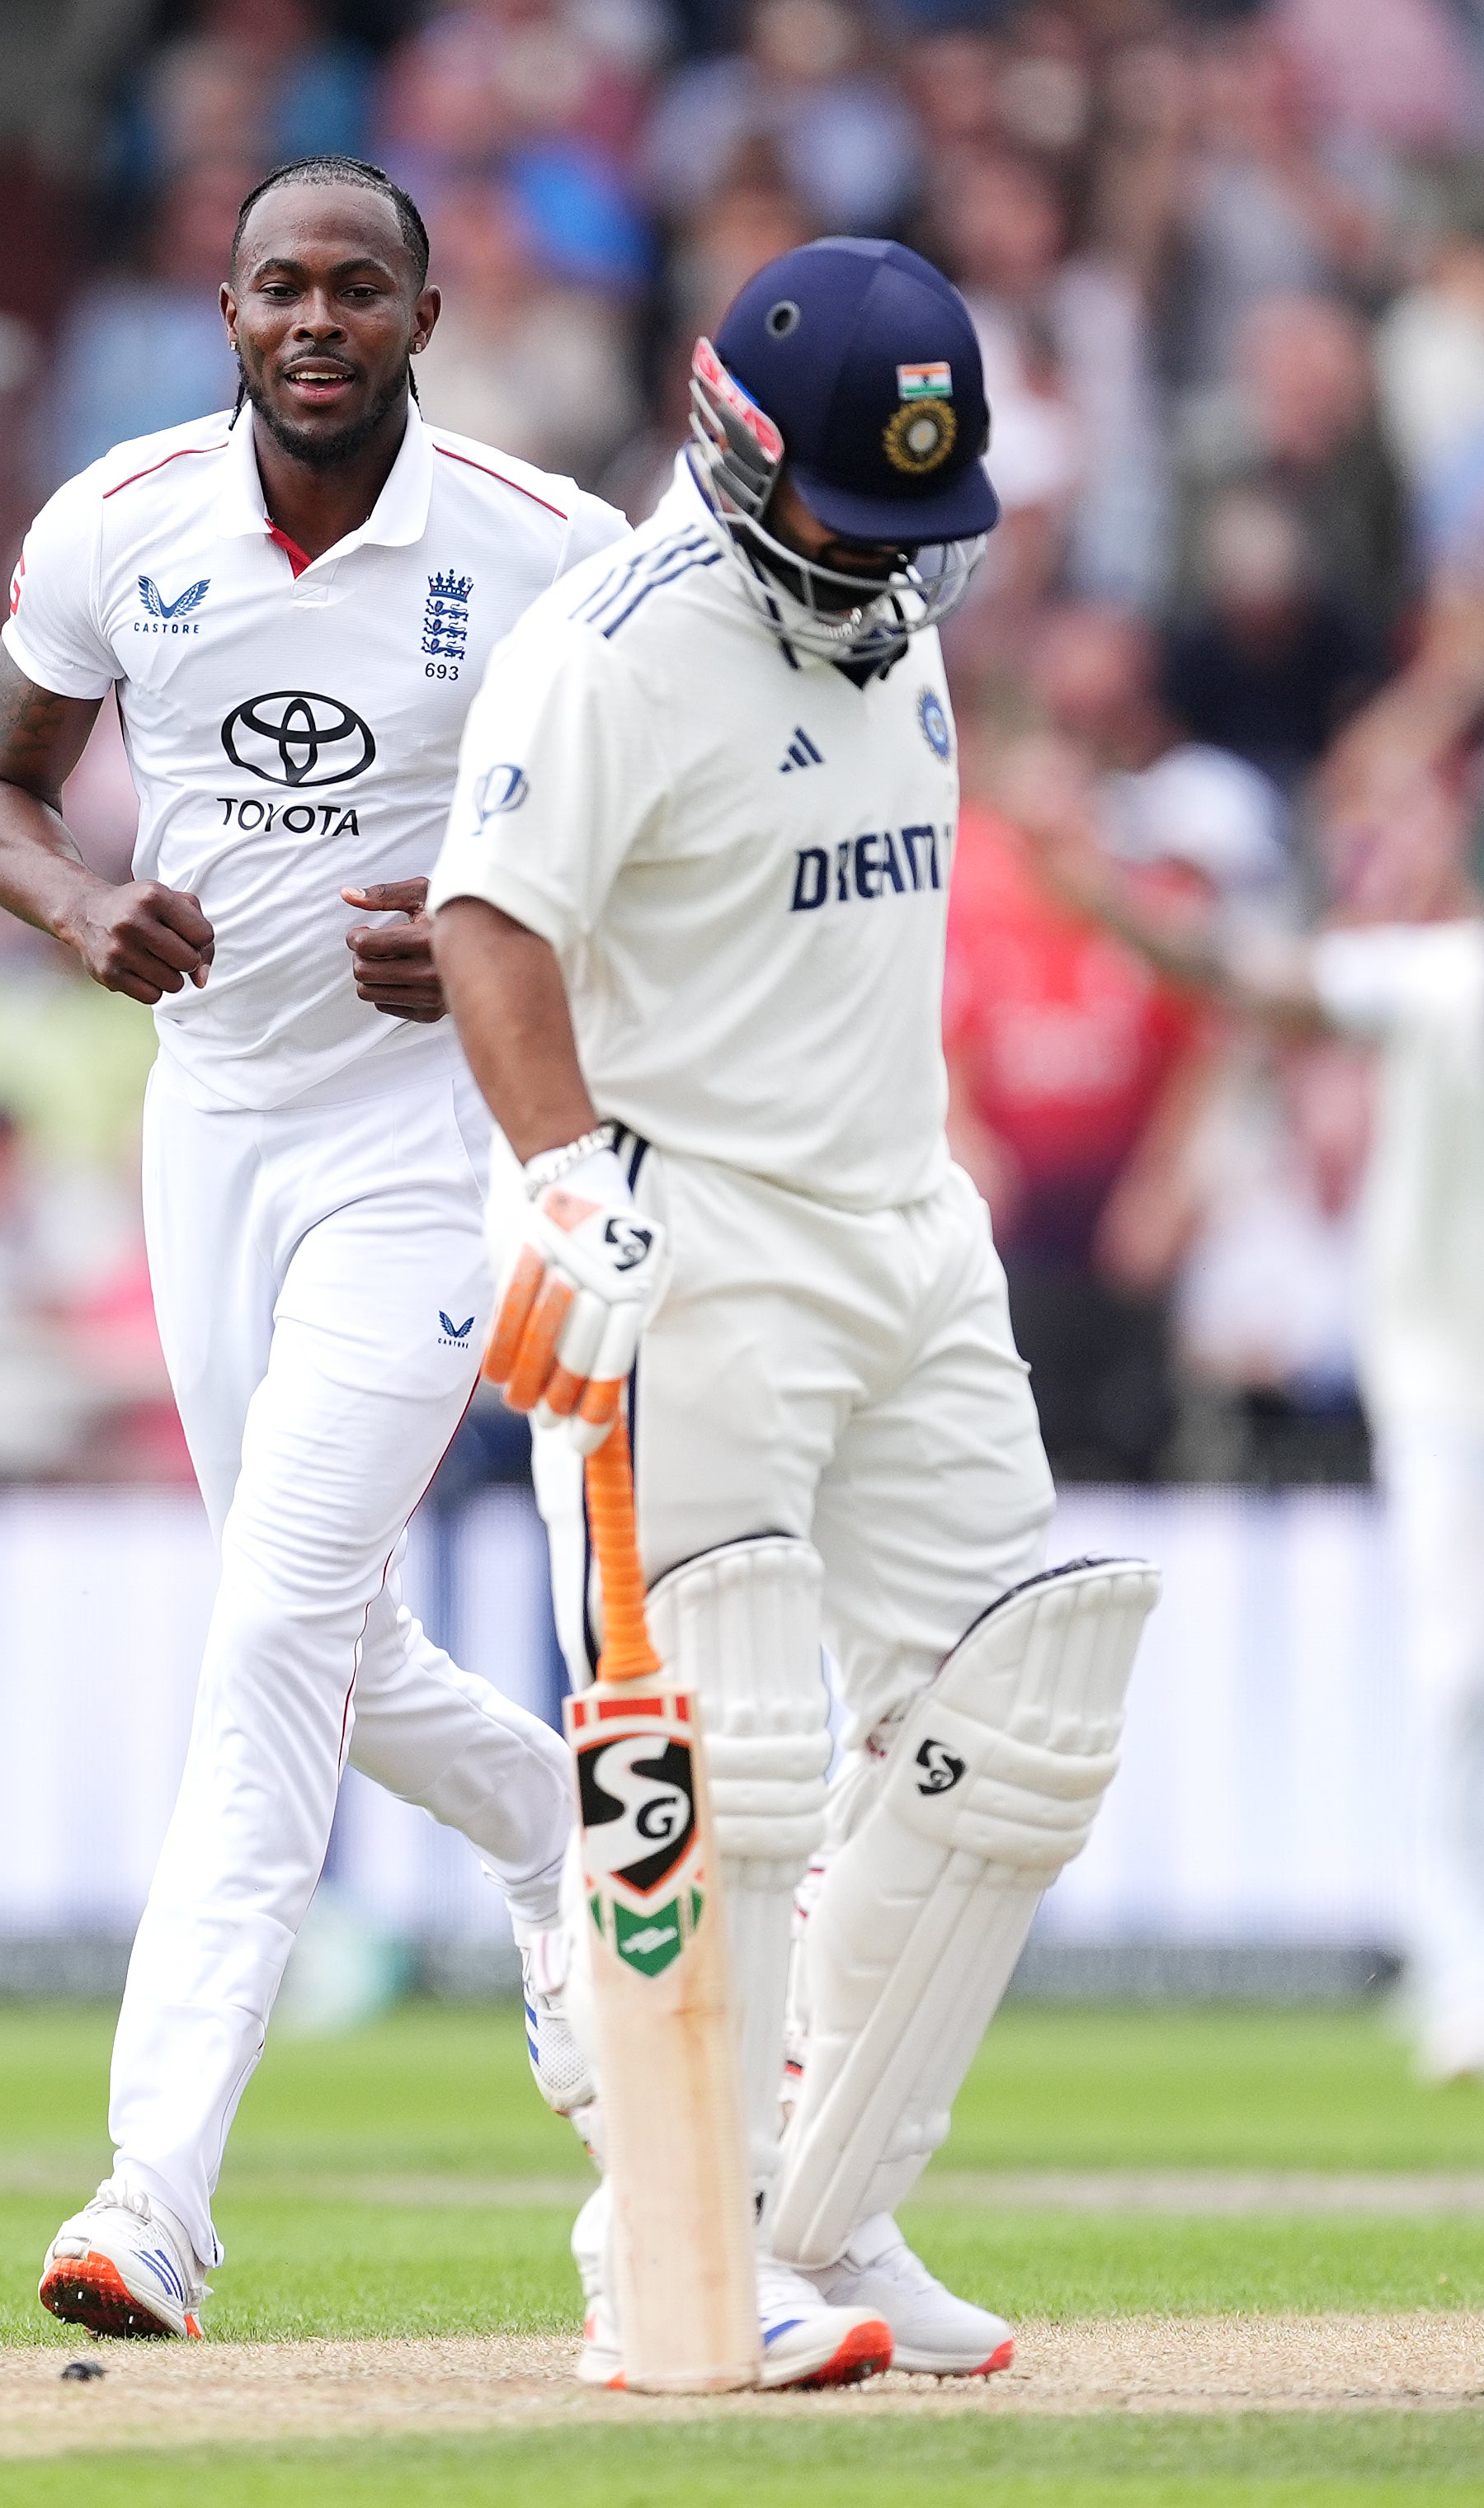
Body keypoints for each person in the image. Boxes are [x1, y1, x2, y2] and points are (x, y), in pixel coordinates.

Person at [429, 238, 1158, 2385]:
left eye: (924, 522)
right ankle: (662, 2240)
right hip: (697, 1245)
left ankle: (823, 2215)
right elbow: (491, 922)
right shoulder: (618, 644)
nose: (892, 564)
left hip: (905, 1234)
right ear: (739, 456)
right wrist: (565, 1177)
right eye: (856, 513)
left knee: (1018, 1713)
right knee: (727, 1750)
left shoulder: (891, 627)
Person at [0, 154, 624, 2342]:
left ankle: (155, 2191)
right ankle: (561, 1845)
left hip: (423, 1145)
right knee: (325, 1638)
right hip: (210, 1122)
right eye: (279, 292)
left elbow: (667, 831)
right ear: (226, 316)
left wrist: (506, 946)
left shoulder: (550, 550)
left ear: (425, 317)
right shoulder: (117, 523)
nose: (317, 325)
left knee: (264, 1637)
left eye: (359, 291)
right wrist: (77, 913)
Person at [1001, 736, 1484, 2084]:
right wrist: (1104, 902)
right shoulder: (1447, 979)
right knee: (1460, 1675)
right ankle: (1462, 1977)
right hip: (1447, 1380)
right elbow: (1255, 983)